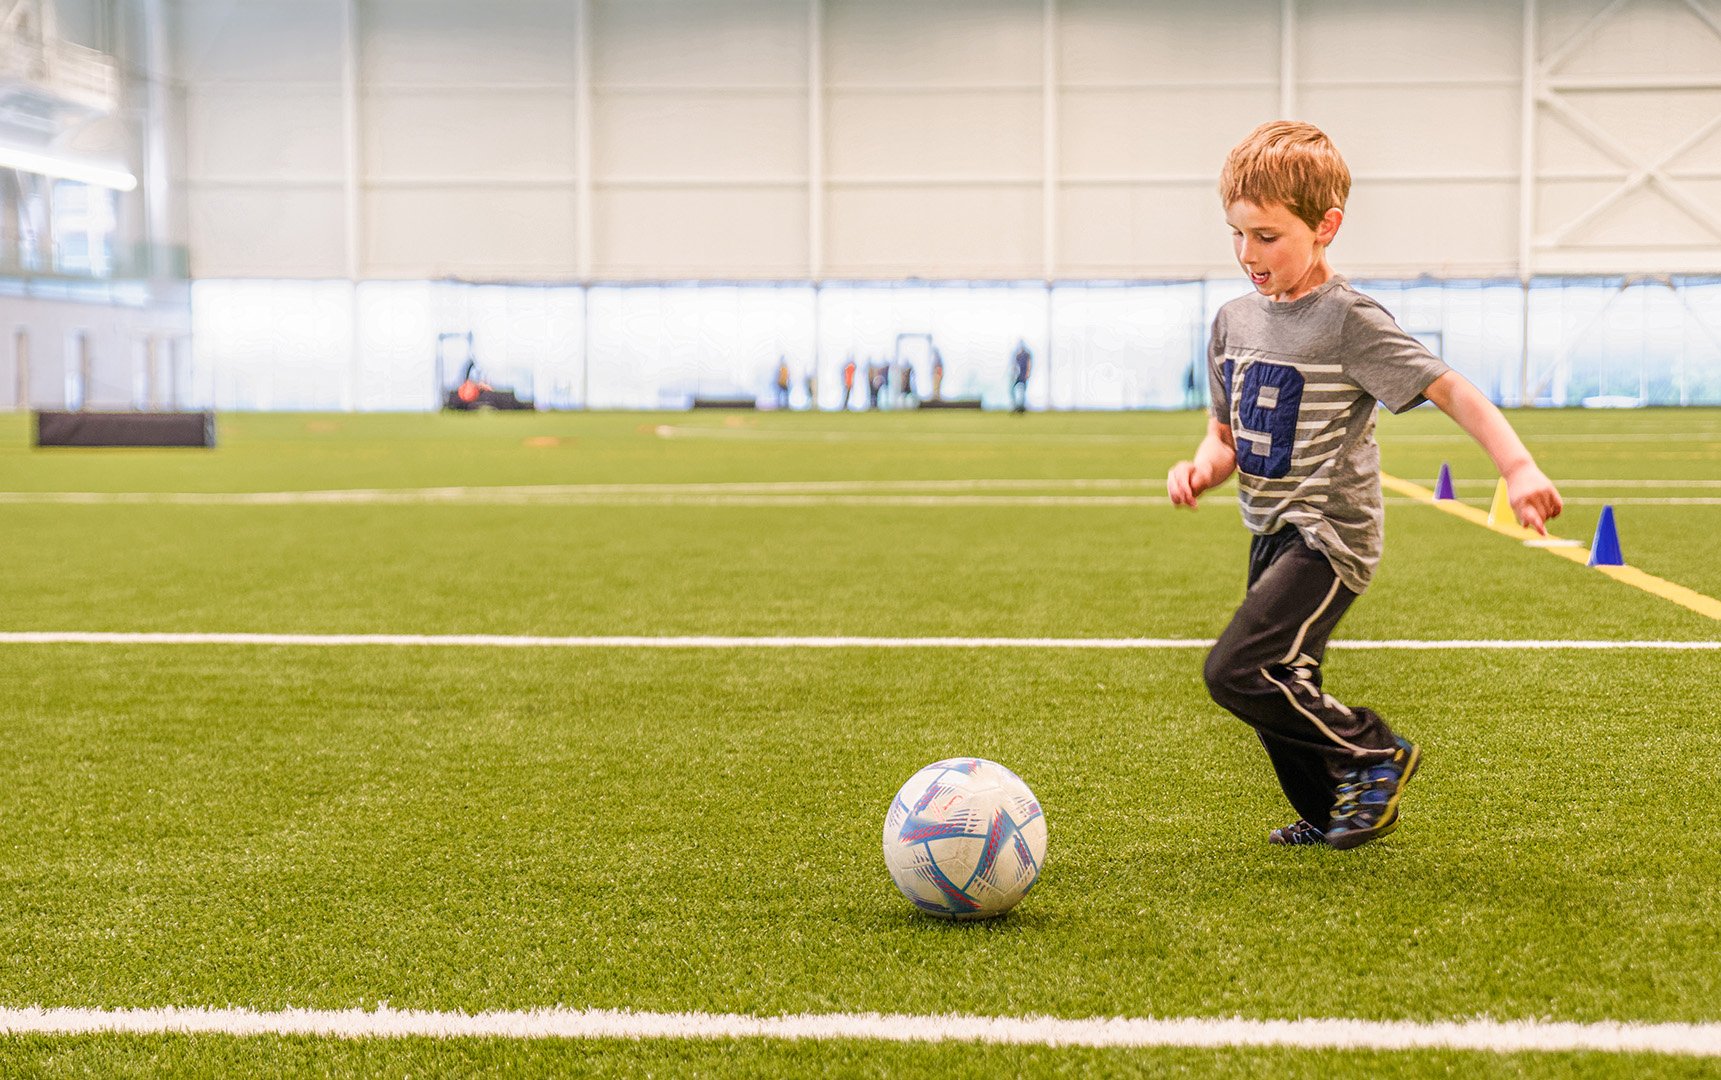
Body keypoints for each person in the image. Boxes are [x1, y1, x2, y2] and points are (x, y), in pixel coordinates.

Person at [1166, 121, 1563, 851]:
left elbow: (1451, 390)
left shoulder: (1347, 320)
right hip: (1268, 530)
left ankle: (1373, 752)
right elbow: (1226, 438)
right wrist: (1200, 468)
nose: (1247, 254)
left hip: (1328, 538)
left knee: (1238, 671)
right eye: (1237, 234)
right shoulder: (1231, 321)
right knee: (1282, 684)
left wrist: (1517, 467)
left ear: (1326, 228)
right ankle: (1329, 812)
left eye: (1266, 236)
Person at [1010, 340, 1031, 412]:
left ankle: (1022, 406)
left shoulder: (1026, 355)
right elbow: (1015, 365)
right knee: (1013, 390)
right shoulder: (1018, 355)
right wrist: (1014, 374)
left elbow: (1029, 364)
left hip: (1023, 375)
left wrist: (1027, 374)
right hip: (1017, 375)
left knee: (1022, 391)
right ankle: (1016, 405)